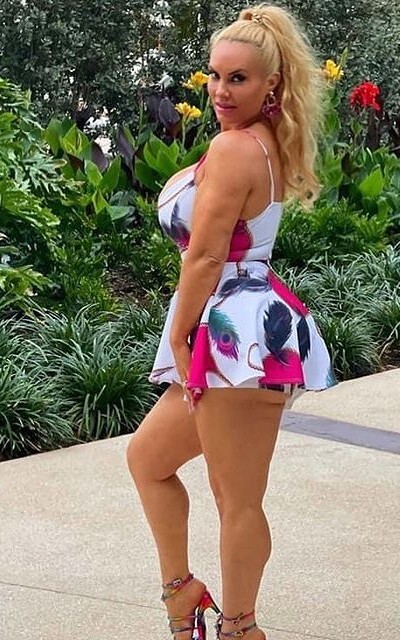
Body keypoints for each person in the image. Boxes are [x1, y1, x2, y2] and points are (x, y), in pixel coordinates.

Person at [126, 4, 336, 639]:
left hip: (233, 332)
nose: (220, 90)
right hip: (243, 323)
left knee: (236, 499)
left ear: (271, 84)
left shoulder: (236, 147)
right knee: (149, 459)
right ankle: (182, 592)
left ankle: (240, 628)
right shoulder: (261, 141)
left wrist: (179, 335)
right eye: (215, 75)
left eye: (237, 78)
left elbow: (206, 256)